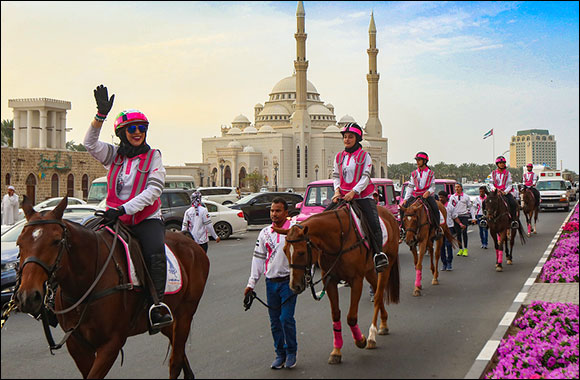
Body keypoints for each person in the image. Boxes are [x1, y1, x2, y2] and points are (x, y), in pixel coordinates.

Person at [84, 84, 173, 332]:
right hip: (114, 217)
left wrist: (123, 210)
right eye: (132, 128)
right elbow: (89, 144)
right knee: (78, 240)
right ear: (122, 133)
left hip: (145, 219)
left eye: (141, 128)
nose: (137, 132)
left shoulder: (154, 156)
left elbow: (153, 192)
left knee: (155, 252)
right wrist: (99, 116)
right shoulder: (114, 155)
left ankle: (157, 306)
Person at [244, 198, 298, 370]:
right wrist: (251, 283)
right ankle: (279, 354)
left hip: (288, 283)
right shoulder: (264, 233)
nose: (274, 214)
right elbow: (258, 258)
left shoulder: (293, 230)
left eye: (278, 211)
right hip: (271, 283)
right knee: (275, 321)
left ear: (286, 213)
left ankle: (291, 352)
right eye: (272, 211)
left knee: (286, 319)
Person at [331, 122, 389, 272]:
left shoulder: (365, 156)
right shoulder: (338, 157)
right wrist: (337, 191)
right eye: (345, 137)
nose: (347, 139)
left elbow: (365, 178)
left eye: (350, 137)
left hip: (362, 196)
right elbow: (336, 176)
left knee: (374, 224)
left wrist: (354, 192)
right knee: (325, 217)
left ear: (357, 138)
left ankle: (378, 255)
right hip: (343, 196)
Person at [401, 152, 442, 240]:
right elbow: (411, 186)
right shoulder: (414, 173)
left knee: (435, 208)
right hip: (416, 195)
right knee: (403, 208)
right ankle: (402, 229)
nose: (417, 162)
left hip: (426, 196)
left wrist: (428, 192)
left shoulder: (430, 173)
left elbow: (433, 186)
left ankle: (437, 228)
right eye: (417, 160)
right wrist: (405, 199)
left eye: (419, 160)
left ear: (425, 161)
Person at [485, 156, 519, 229]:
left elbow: (510, 185)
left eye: (503, 163)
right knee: (486, 202)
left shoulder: (508, 173)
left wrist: (505, 192)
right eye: (500, 163)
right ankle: (485, 219)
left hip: (505, 193)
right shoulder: (492, 173)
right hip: (495, 193)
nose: (502, 164)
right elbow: (490, 183)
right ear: (497, 164)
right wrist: (495, 190)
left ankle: (513, 220)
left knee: (513, 203)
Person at [449, 183, 473, 257]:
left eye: (458, 187)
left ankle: (465, 249)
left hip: (464, 216)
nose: (457, 188)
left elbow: (470, 207)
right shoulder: (452, 197)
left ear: (461, 188)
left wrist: (473, 217)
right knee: (458, 233)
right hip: (456, 217)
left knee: (464, 232)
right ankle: (460, 249)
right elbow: (450, 207)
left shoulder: (466, 197)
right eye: (456, 187)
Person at [438, 191, 459, 271]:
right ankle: (444, 263)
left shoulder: (450, 206)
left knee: (448, 245)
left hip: (449, 228)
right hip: (440, 228)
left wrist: (460, 224)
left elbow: (455, 217)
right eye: (439, 197)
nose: (440, 199)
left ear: (446, 198)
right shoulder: (437, 206)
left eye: (442, 197)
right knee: (441, 246)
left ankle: (449, 262)